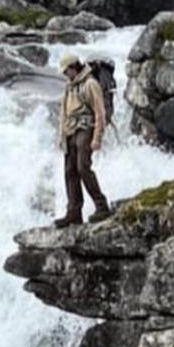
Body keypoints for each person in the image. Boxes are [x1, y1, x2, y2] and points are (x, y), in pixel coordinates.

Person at [54, 53, 111, 227]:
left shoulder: (90, 84)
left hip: (85, 129)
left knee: (83, 167)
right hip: (70, 131)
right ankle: (74, 213)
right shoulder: (69, 87)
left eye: (66, 71)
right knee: (70, 171)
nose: (65, 75)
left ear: (73, 67)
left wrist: (97, 138)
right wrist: (61, 135)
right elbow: (64, 113)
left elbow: (100, 113)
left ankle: (101, 205)